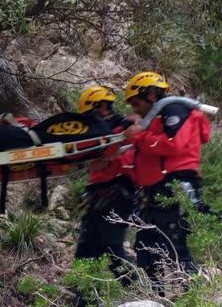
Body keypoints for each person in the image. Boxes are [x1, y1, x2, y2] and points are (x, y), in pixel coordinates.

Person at [121, 72, 211, 292]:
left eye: (136, 102)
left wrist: (138, 137)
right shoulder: (159, 116)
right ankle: (157, 297)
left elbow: (173, 144)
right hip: (156, 190)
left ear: (151, 95)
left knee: (175, 245)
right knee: (146, 247)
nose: (134, 108)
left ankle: (196, 300)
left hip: (173, 185)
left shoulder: (174, 110)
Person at [73, 86, 137, 282]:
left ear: (99, 107)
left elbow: (133, 149)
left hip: (116, 192)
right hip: (98, 194)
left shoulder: (124, 126)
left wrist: (109, 159)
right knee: (86, 250)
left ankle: (135, 291)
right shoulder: (100, 133)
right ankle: (84, 301)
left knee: (112, 247)